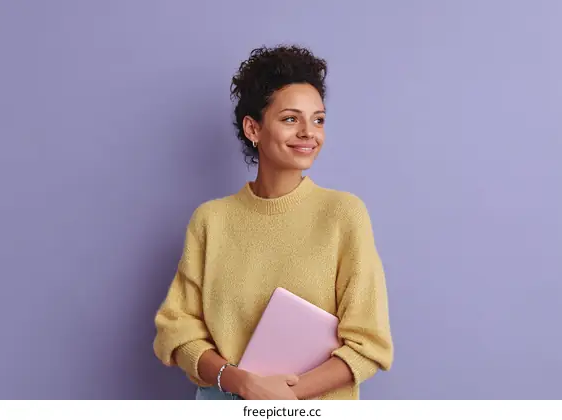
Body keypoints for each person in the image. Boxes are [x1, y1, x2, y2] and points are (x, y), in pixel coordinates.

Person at [152, 44, 393, 400]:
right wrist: (242, 383)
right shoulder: (211, 220)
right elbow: (176, 330)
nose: (309, 132)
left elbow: (369, 343)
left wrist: (284, 396)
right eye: (291, 118)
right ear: (253, 128)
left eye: (319, 119)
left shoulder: (343, 215)